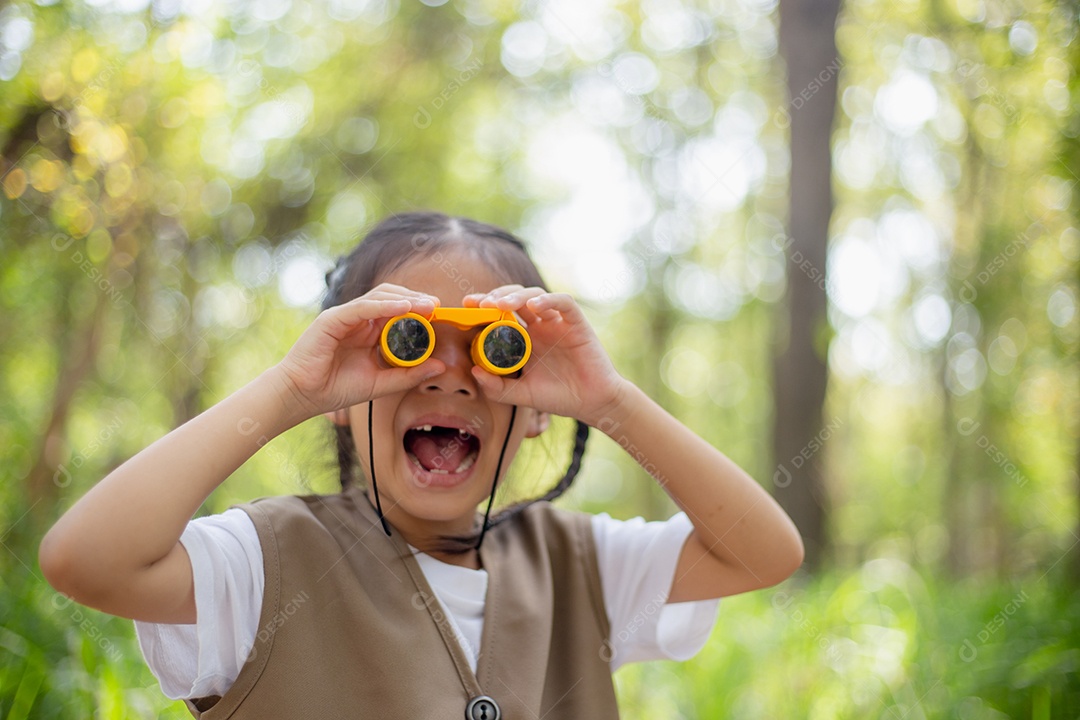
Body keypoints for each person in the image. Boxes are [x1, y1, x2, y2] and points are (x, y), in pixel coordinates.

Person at [39, 211, 804, 718]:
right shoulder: (264, 565)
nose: (447, 374)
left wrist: (607, 400)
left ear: (537, 409)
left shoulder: (582, 566)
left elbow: (766, 553)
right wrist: (288, 390)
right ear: (342, 391)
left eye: (495, 348)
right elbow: (83, 559)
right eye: (406, 342)